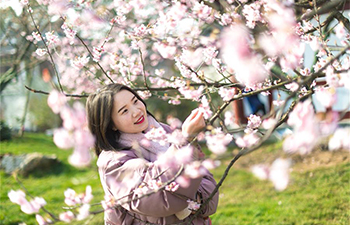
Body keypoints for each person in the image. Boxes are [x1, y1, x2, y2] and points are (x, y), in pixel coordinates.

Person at [86, 83, 219, 225]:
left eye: (135, 101)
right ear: (110, 124)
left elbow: (208, 182)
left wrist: (196, 200)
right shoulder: (113, 162)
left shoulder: (164, 132)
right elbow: (158, 200)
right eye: (124, 111)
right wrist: (184, 141)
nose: (136, 111)